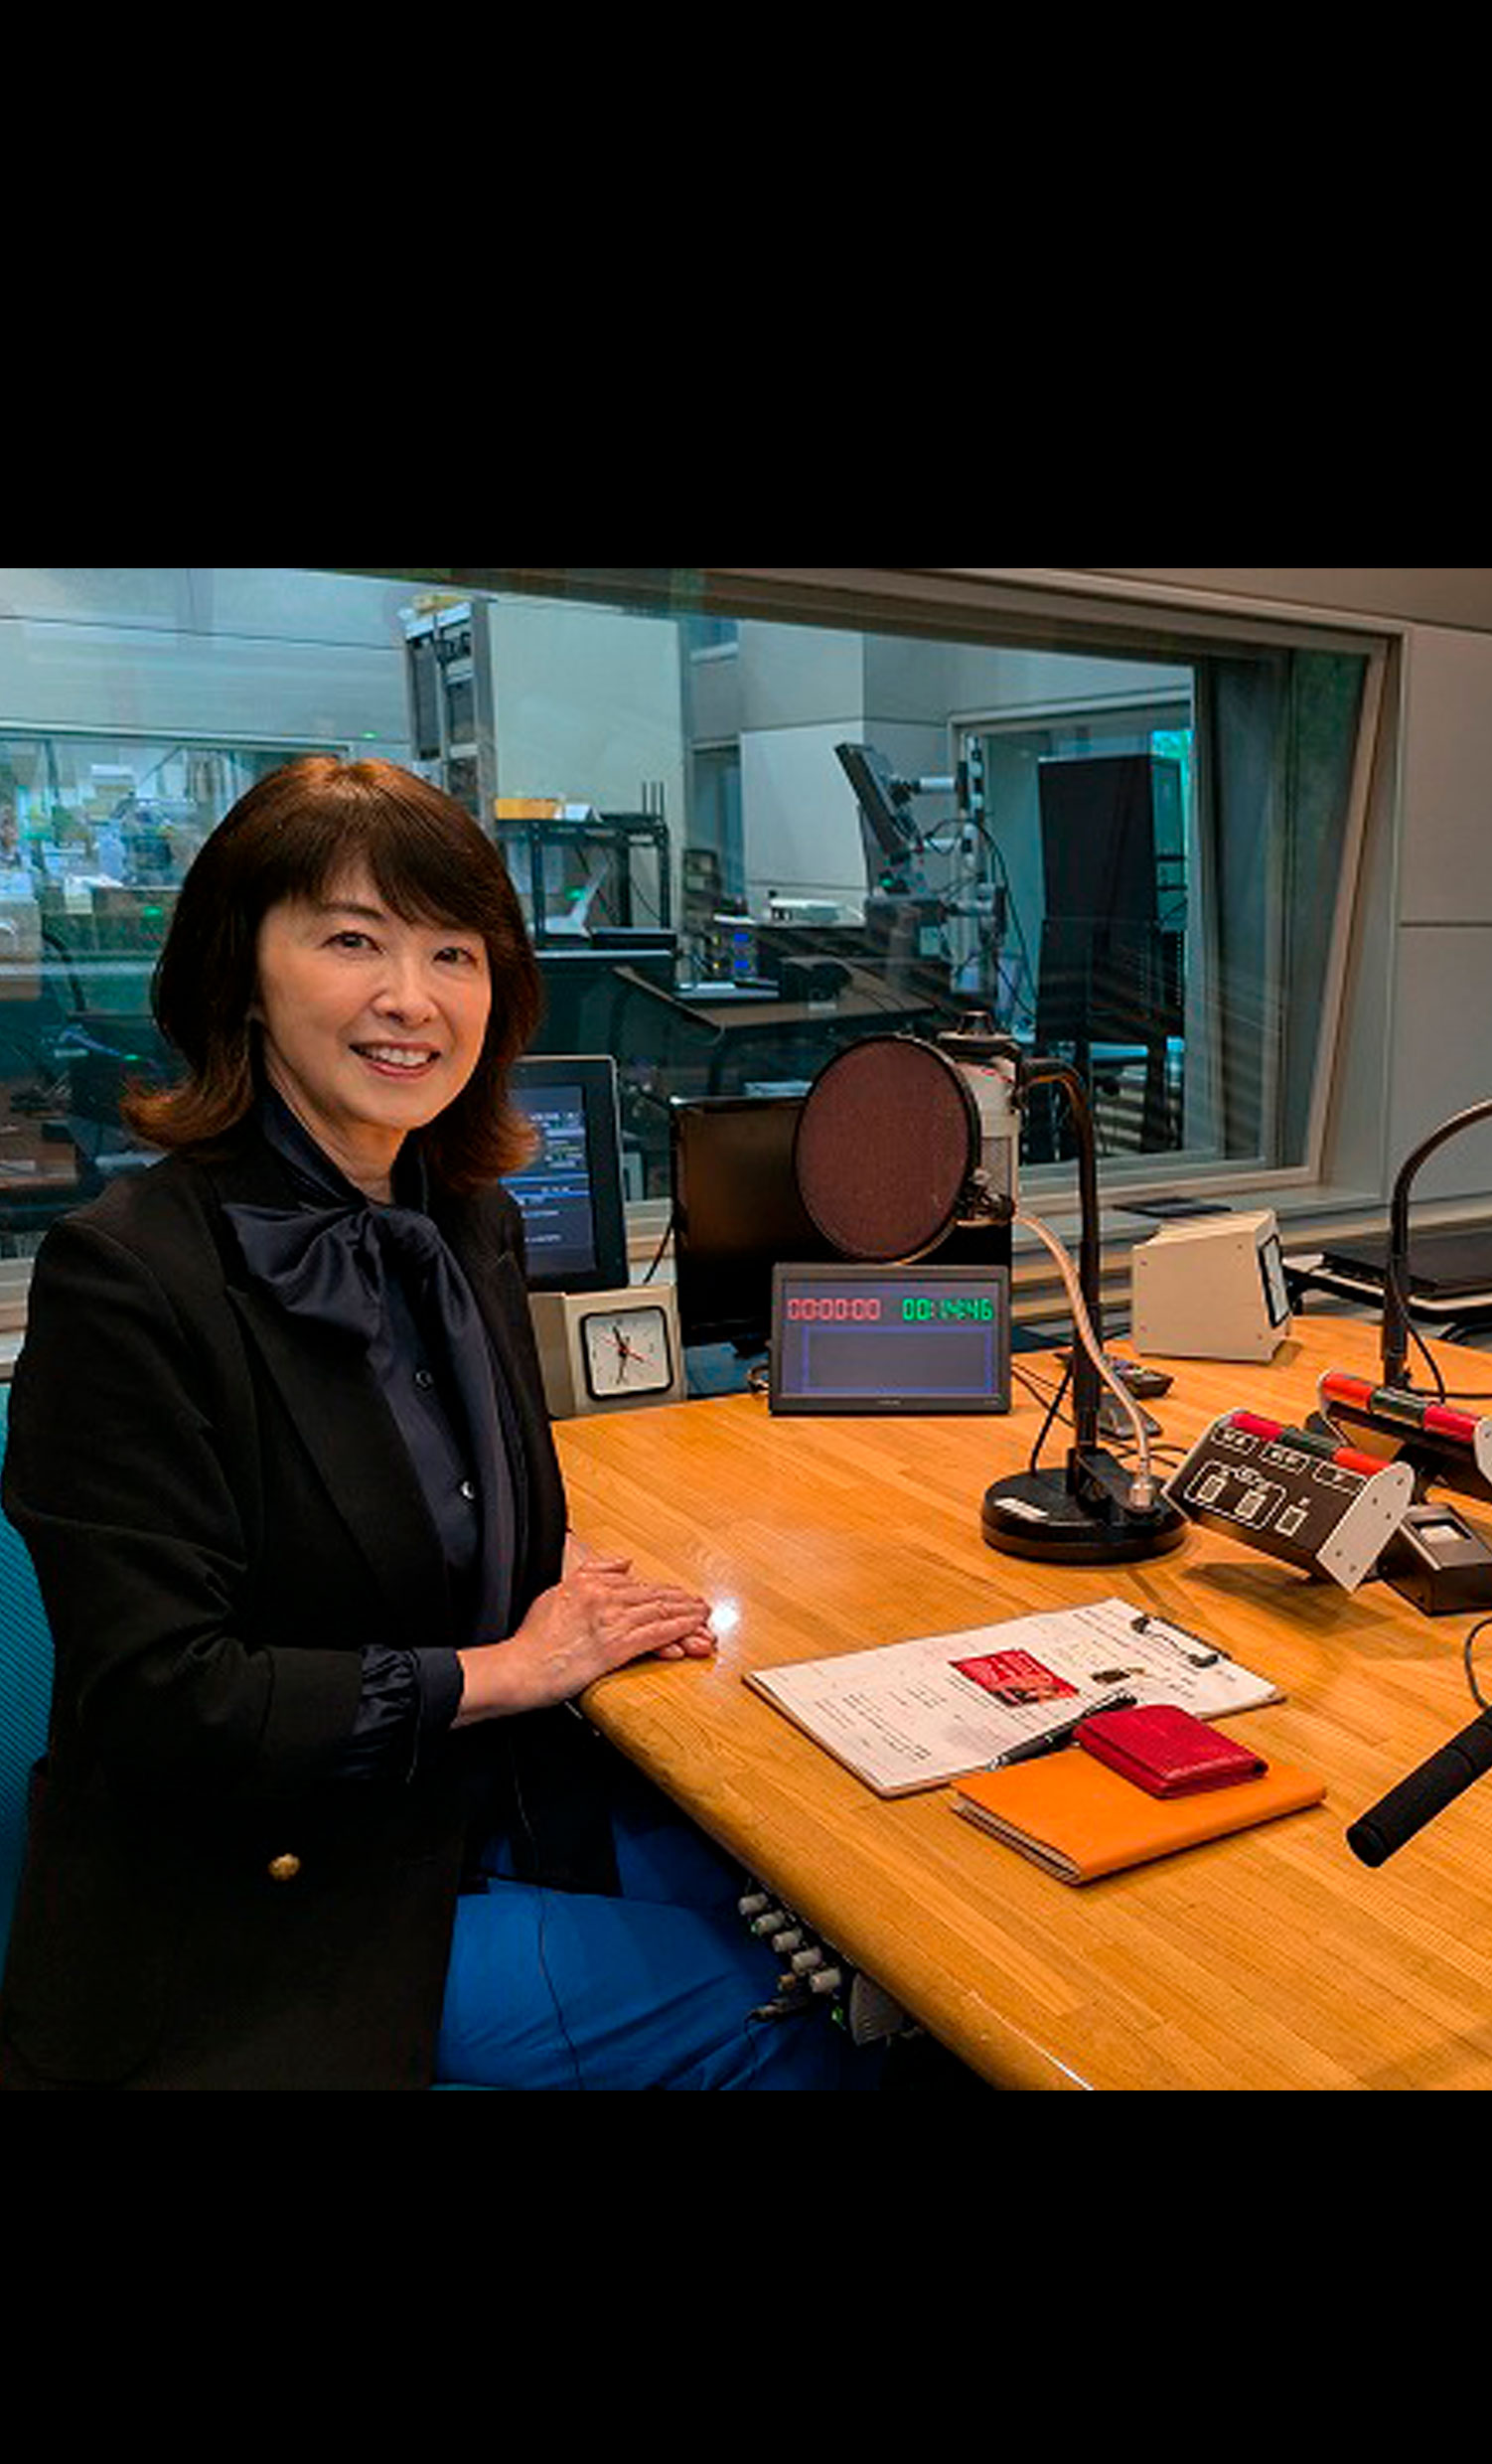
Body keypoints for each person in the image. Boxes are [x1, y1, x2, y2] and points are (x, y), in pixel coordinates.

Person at [0, 756, 881, 2087]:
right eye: (352, 940)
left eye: (451, 952)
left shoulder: (465, 1221)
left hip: (475, 1798)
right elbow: (163, 1701)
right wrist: (513, 1666)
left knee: (846, 1917)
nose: (411, 997)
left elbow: (417, 1510)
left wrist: (539, 1573)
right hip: (273, 1894)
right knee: (817, 2030)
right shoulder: (125, 1277)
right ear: (243, 973)